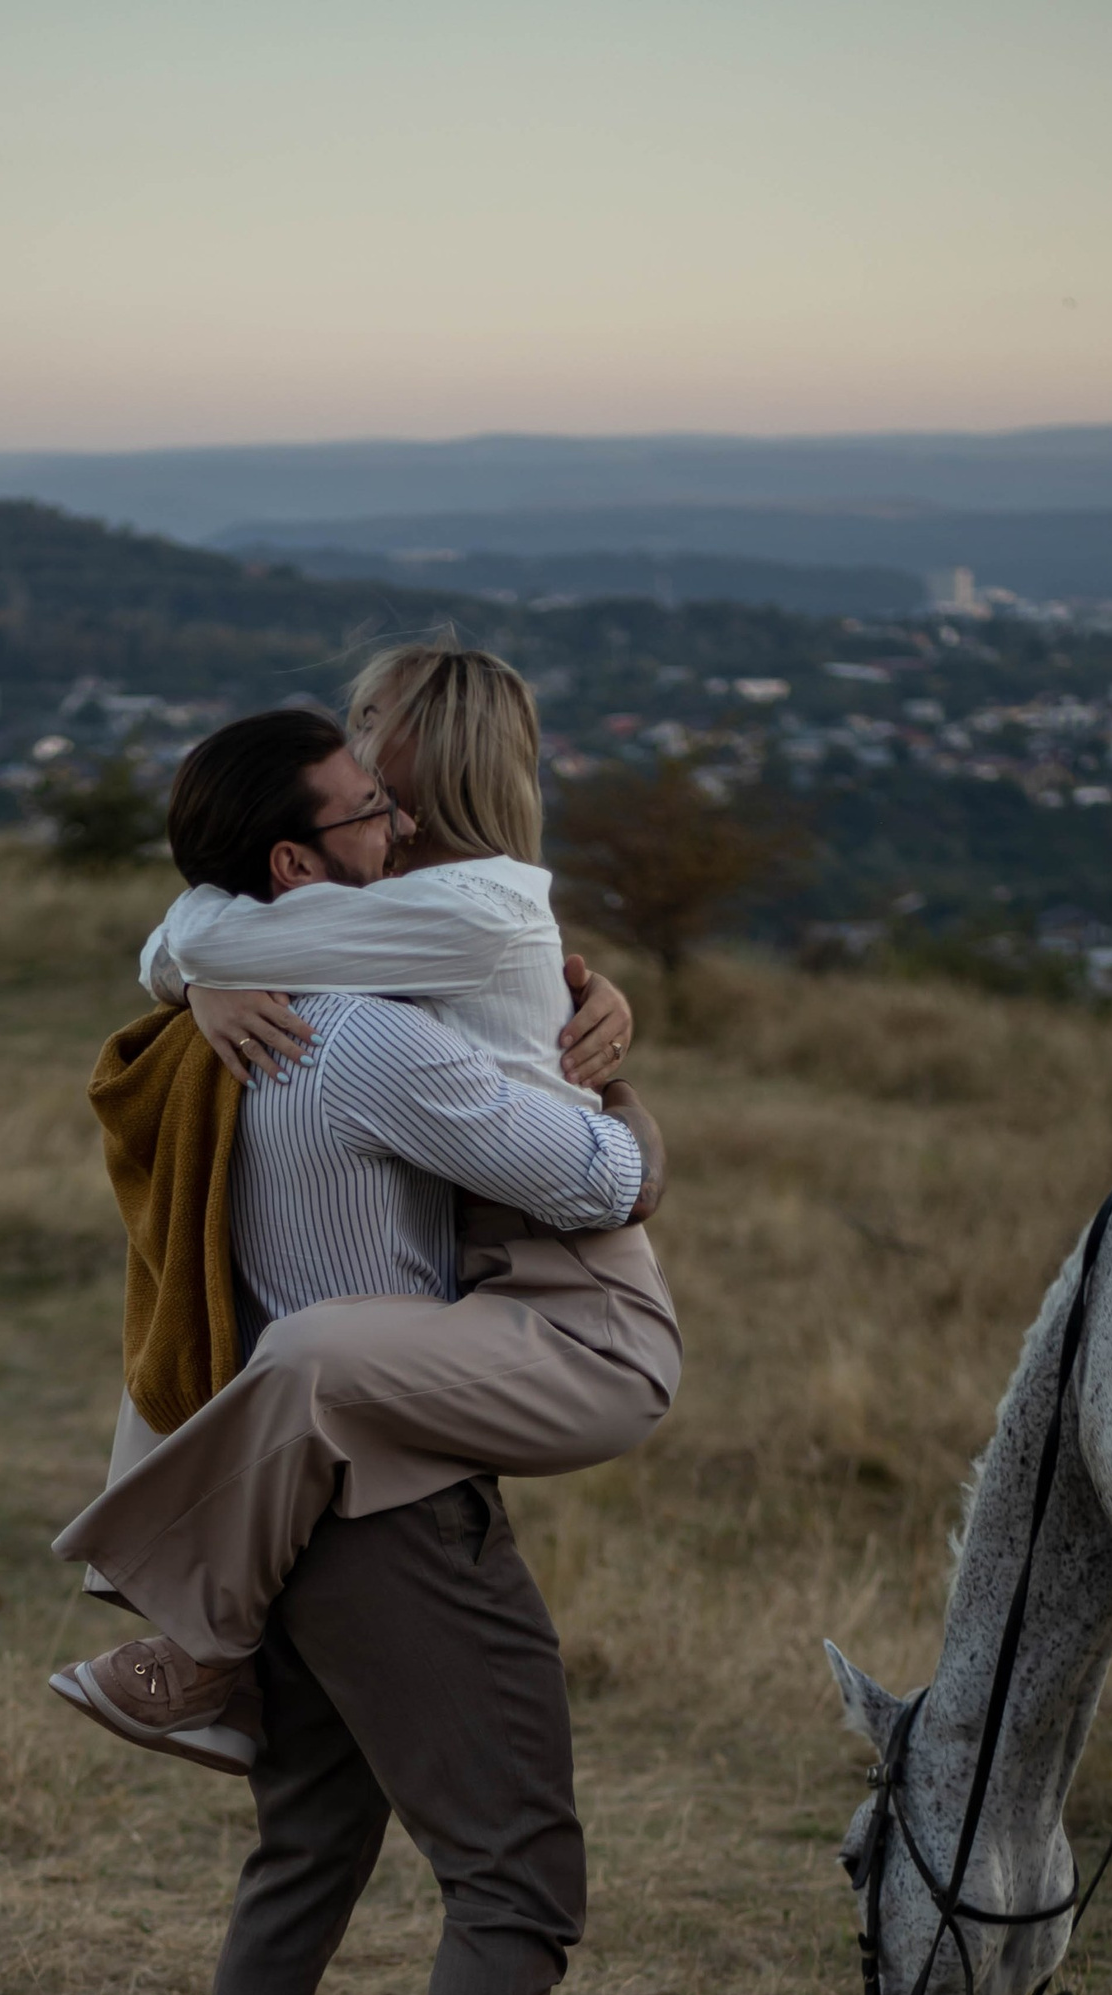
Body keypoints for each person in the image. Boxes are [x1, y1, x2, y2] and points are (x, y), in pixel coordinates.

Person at [59, 706, 657, 1995]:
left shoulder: (205, 1033)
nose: (400, 834)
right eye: (369, 815)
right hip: (389, 1498)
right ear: (292, 862)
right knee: (517, 1863)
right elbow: (596, 1189)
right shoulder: (372, 1042)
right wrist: (613, 1076)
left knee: (308, 1843)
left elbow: (176, 960)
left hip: (287, 1495)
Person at [49, 649, 677, 1770]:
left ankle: (199, 1649)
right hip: (487, 1271)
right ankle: (210, 1655)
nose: (352, 736)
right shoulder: (400, 908)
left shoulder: (464, 912)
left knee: (306, 1352)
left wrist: (623, 1100)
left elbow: (196, 930)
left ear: (422, 761)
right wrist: (200, 974)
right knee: (264, 1340)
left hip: (564, 1277)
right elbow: (193, 933)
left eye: (371, 721)